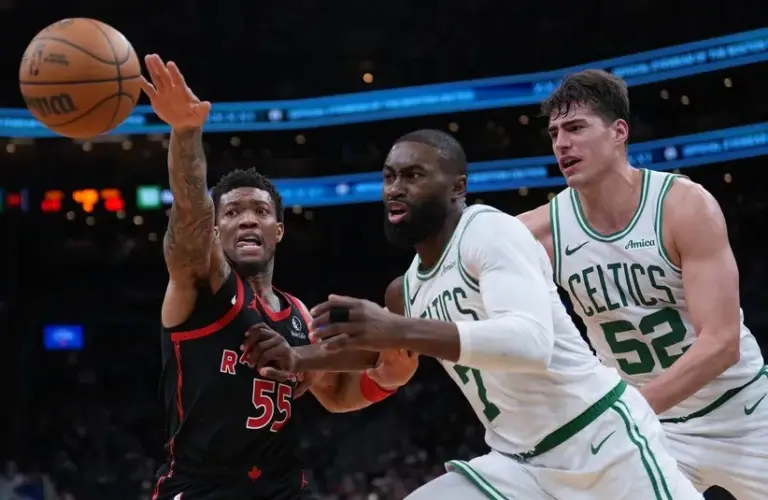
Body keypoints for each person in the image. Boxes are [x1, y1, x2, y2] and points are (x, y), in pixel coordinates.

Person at [304, 129, 703, 499]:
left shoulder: (489, 231)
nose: (396, 189)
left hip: (600, 441)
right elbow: (378, 355)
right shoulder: (405, 291)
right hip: (518, 465)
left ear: (457, 187)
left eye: (413, 176)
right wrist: (294, 359)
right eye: (390, 177)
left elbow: (529, 343)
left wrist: (398, 328)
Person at [140, 54, 417, 500]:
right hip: (201, 490)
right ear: (215, 229)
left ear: (278, 230)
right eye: (231, 212)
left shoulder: (297, 314)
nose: (247, 220)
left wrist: (388, 378)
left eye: (260, 211)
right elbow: (190, 213)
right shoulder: (201, 286)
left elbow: (338, 393)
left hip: (283, 488)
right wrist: (186, 132)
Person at [518, 69, 767, 499]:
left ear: (619, 132)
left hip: (740, 412)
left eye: (576, 128)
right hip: (650, 430)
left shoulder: (683, 206)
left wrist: (625, 412)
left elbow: (722, 343)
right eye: (554, 132)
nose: (561, 143)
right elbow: (458, 265)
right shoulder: (540, 232)